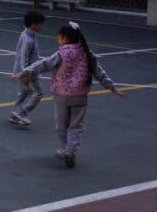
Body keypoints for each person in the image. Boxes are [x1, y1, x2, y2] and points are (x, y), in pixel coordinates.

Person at [13, 22, 127, 168]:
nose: (58, 40)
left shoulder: (62, 53)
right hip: (80, 95)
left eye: (59, 37)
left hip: (61, 95)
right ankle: (70, 151)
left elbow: (43, 64)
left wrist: (24, 72)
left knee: (61, 125)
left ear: (65, 39)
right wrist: (113, 88)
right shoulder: (87, 53)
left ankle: (65, 148)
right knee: (76, 126)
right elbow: (100, 74)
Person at [9, 10, 45, 126]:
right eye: (40, 24)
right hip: (28, 72)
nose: (41, 26)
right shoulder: (27, 39)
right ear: (34, 24)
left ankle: (14, 113)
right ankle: (21, 113)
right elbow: (23, 58)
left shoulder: (30, 36)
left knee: (24, 93)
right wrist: (24, 74)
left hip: (29, 71)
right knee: (38, 93)